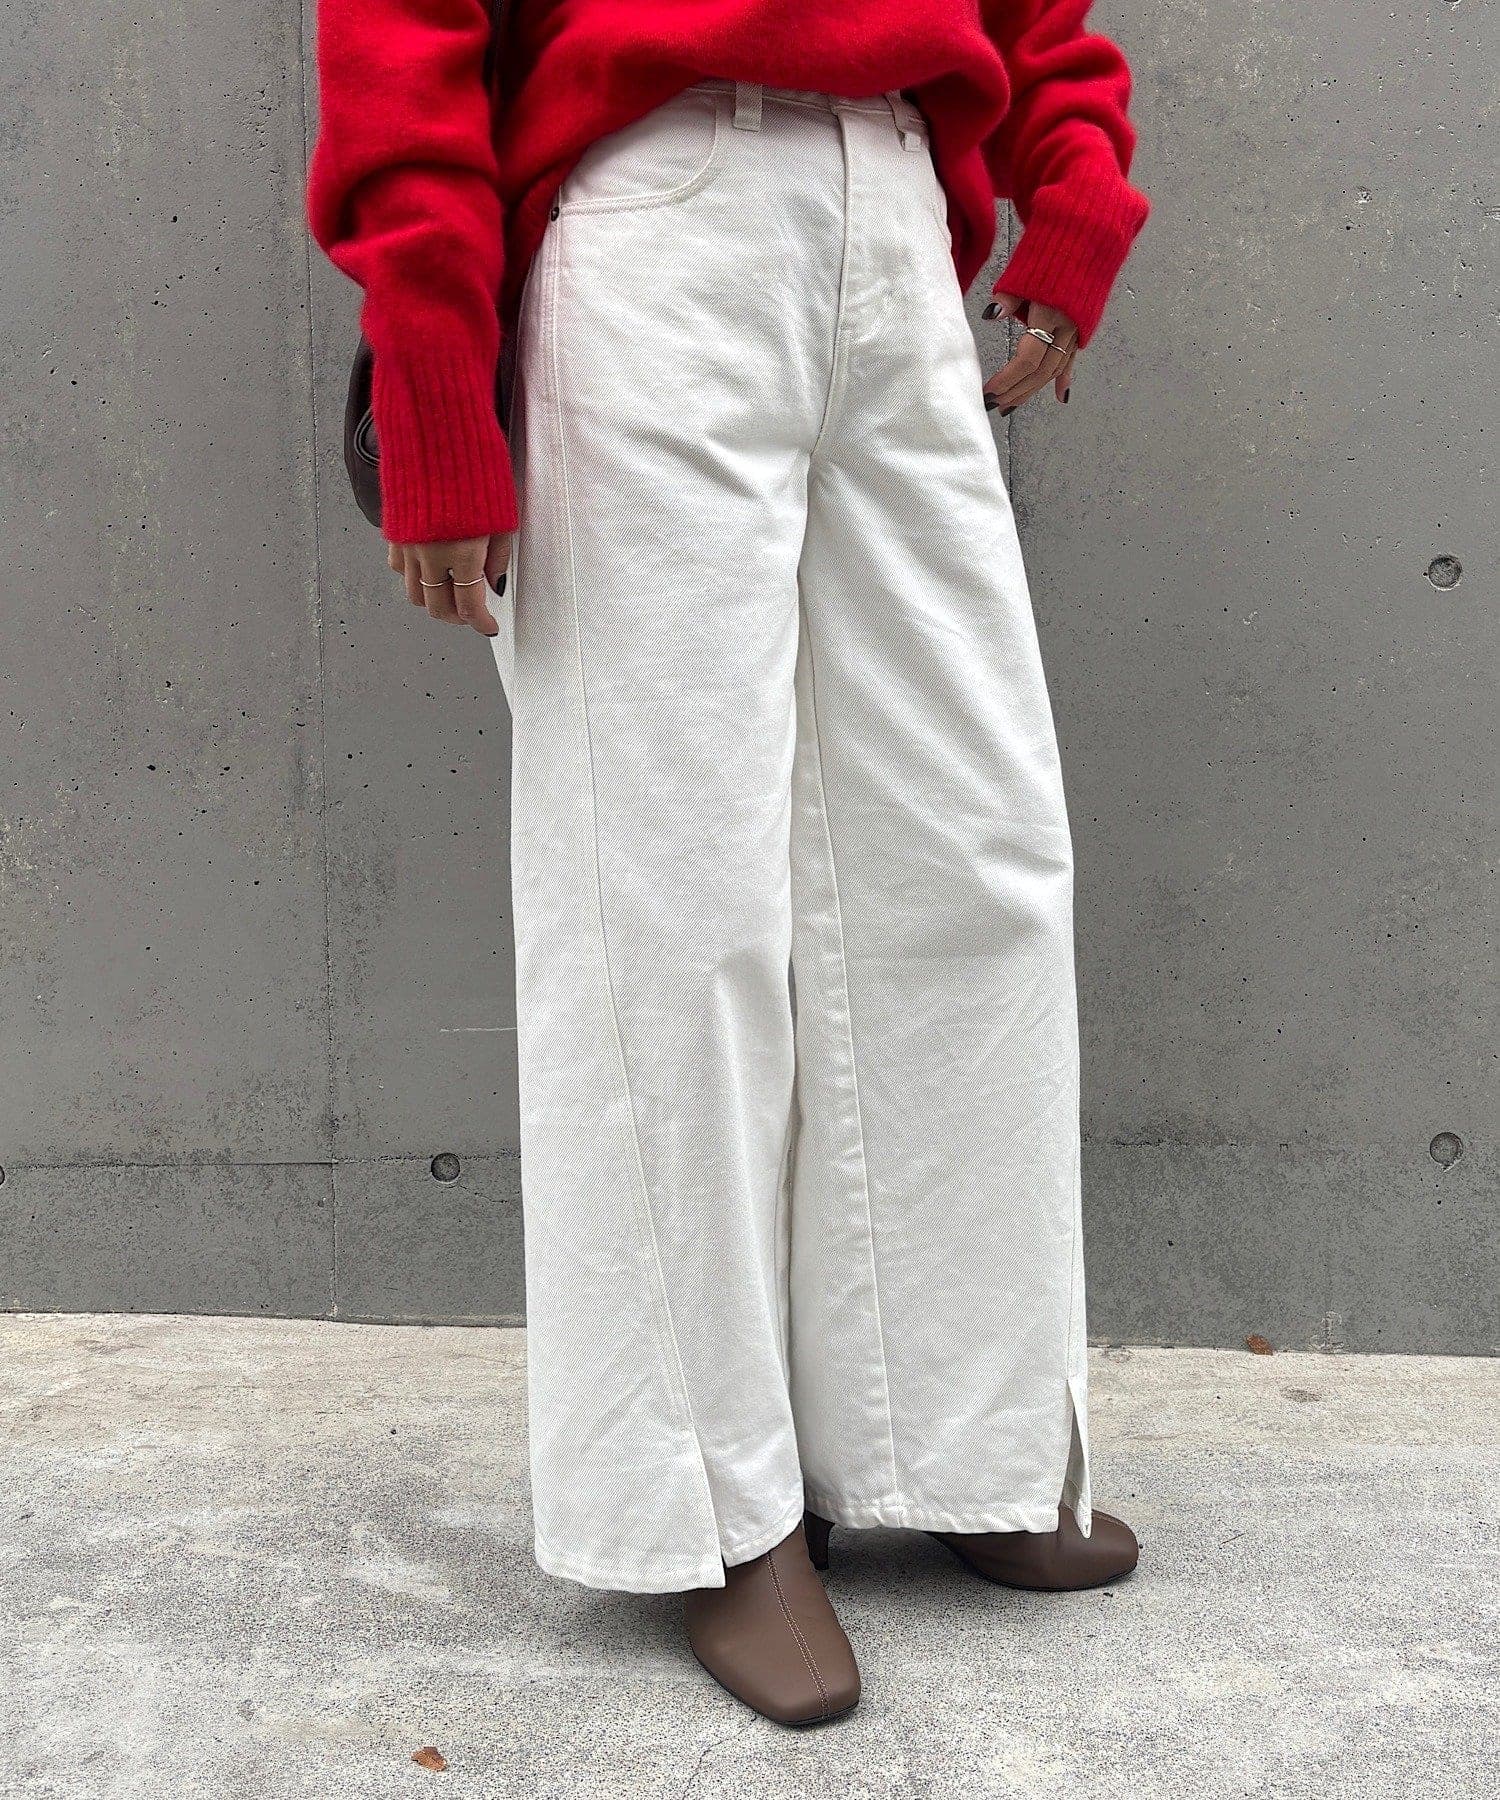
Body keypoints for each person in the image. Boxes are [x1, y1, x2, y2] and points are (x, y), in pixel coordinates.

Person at [308, 0, 1150, 1727]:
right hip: (653, 214)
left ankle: (961, 1442)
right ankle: (714, 1508)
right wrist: (436, 372)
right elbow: (400, 34)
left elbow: (1036, 17)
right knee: (666, 897)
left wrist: (1073, 178)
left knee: (972, 865)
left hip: (896, 217)